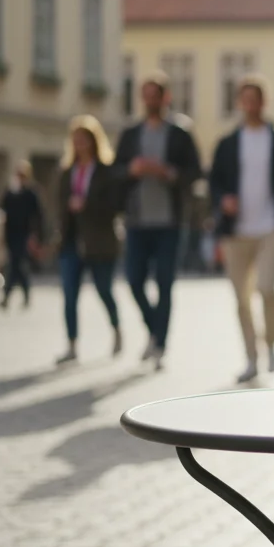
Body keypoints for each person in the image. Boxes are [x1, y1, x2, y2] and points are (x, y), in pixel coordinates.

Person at [208, 76, 274, 383]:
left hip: (271, 227)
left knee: (265, 287)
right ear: (239, 103)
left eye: (255, 99)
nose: (250, 105)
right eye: (244, 99)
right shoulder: (227, 144)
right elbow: (213, 183)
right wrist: (223, 200)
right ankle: (251, 358)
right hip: (236, 230)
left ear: (263, 102)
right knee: (241, 298)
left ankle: (271, 344)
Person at [114, 71, 202, 369]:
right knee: (134, 280)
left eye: (156, 95)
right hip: (137, 221)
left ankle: (160, 344)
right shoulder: (131, 134)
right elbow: (115, 172)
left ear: (166, 98)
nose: (150, 100)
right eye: (146, 95)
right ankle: (154, 329)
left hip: (170, 222)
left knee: (165, 283)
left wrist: (169, 173)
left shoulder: (180, 133)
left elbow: (195, 173)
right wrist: (131, 170)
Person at [55, 116, 124, 364]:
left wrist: (86, 205)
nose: (80, 145)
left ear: (94, 142)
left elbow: (115, 206)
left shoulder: (106, 172)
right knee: (70, 294)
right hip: (72, 241)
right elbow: (60, 206)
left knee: (104, 289)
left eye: (84, 141)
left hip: (100, 241)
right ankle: (72, 345)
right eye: (76, 141)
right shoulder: (67, 172)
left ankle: (116, 329)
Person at [0, 160, 43, 310]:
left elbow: (38, 216)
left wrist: (36, 235)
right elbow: (2, 210)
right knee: (17, 265)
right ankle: (25, 295)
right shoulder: (11, 192)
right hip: (11, 234)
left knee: (15, 265)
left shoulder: (31, 193)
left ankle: (7, 296)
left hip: (25, 234)